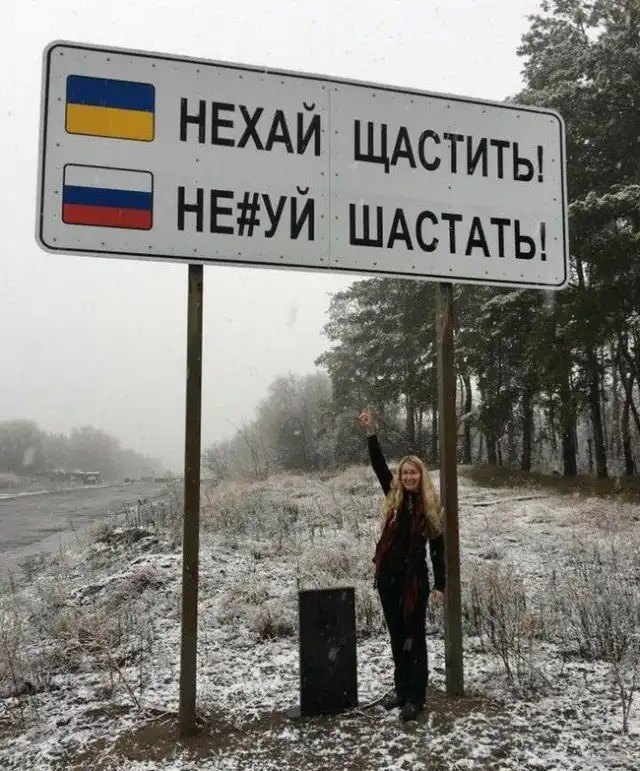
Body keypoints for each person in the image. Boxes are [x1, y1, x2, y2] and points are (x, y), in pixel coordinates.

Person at [359, 407, 445, 722]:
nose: (409, 477)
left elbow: (437, 547)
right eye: (405, 473)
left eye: (414, 473)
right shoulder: (394, 497)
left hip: (414, 582)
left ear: (421, 476)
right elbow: (378, 465)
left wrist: (440, 585)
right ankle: (401, 690)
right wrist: (371, 433)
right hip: (388, 579)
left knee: (414, 638)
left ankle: (416, 698)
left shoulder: (430, 507)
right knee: (397, 636)